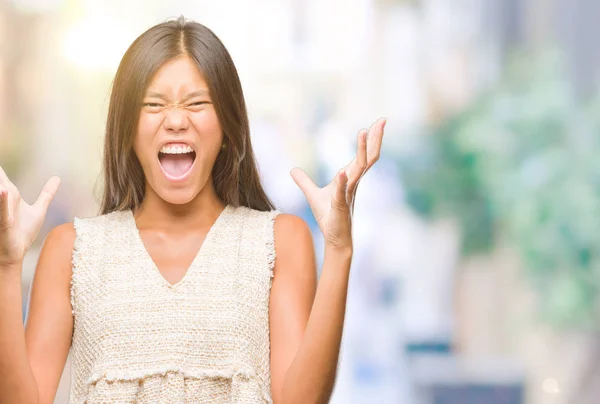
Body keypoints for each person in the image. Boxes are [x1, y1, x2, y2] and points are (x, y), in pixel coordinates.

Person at [0, 16, 386, 404]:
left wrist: (339, 248)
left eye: (197, 103)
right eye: (154, 104)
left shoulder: (278, 241)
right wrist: (5, 267)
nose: (175, 121)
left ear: (226, 128)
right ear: (127, 128)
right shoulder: (72, 250)